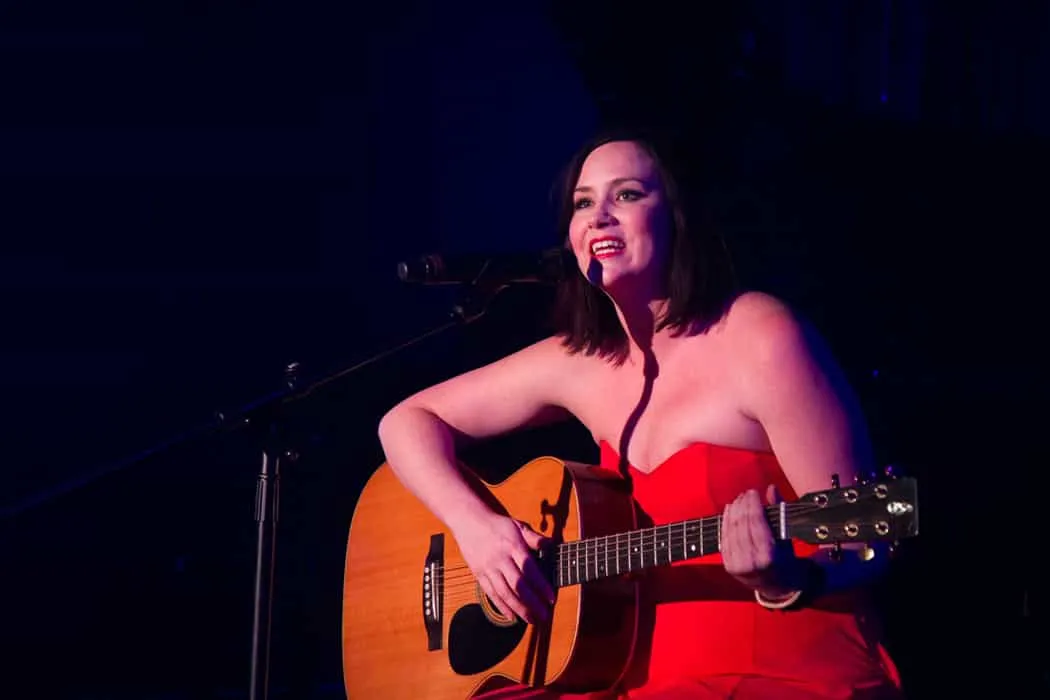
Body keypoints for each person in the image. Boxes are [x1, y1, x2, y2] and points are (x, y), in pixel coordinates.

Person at [376, 129, 904, 699]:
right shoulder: (578, 361)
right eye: (583, 203)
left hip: (786, 669)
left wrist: (786, 579)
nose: (599, 217)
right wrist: (476, 529)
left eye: (626, 195)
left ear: (677, 216)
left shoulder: (760, 336)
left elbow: (866, 537)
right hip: (631, 675)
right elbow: (406, 421)